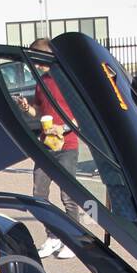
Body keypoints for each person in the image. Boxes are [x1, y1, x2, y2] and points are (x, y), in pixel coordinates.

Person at [14, 37, 84, 258]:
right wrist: (27, 107)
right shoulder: (41, 81)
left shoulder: (67, 80)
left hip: (67, 144)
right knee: (39, 194)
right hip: (45, 146)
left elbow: (81, 115)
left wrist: (63, 128)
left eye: (38, 60)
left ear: (48, 56)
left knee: (68, 196)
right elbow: (37, 110)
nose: (35, 65)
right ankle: (53, 237)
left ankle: (75, 241)